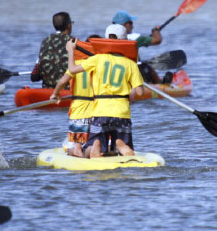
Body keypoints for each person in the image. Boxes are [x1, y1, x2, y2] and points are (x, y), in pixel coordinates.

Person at [60, 24, 144, 158]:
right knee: (124, 146)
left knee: (90, 149)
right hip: (121, 112)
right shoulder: (130, 64)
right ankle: (121, 145)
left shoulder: (97, 59)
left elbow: (72, 69)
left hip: (101, 112)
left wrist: (71, 50)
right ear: (124, 41)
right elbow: (139, 92)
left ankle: (95, 147)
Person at [50, 38, 96, 158]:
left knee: (77, 145)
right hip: (96, 111)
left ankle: (77, 153)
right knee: (92, 143)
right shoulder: (97, 65)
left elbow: (62, 82)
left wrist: (55, 93)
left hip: (78, 111)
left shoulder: (75, 65)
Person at [112, 10, 165, 84]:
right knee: (147, 67)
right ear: (124, 24)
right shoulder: (135, 38)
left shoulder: (109, 38)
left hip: (114, 71)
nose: (132, 26)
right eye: (130, 23)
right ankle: (159, 84)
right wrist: (155, 30)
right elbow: (157, 40)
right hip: (133, 71)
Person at [30, 12, 73, 88]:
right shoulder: (74, 42)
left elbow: (34, 77)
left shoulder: (45, 41)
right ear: (69, 26)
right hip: (67, 90)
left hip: (48, 89)